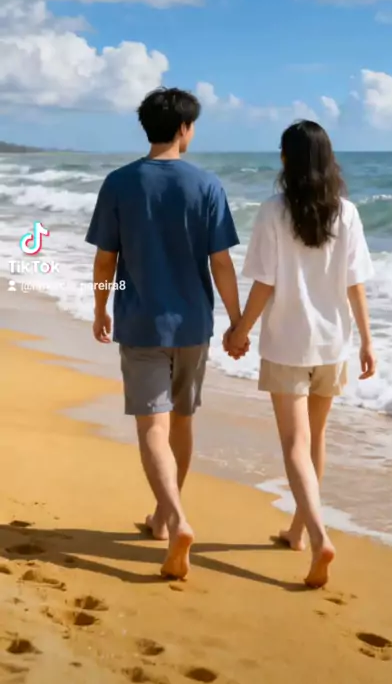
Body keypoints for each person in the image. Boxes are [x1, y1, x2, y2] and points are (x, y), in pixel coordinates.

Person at [86, 87, 247, 581]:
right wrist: (237, 320)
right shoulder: (207, 185)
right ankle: (165, 517)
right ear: (183, 129)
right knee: (181, 421)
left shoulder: (119, 182)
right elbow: (221, 262)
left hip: (140, 322)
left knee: (151, 428)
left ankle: (172, 519)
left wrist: (100, 306)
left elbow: (106, 260)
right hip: (194, 324)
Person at [225, 120, 375, 588]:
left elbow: (264, 283)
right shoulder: (347, 213)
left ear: (286, 159)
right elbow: (355, 283)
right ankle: (296, 531)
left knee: (294, 443)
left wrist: (239, 331)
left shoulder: (274, 211)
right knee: (315, 438)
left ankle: (317, 535)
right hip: (333, 344)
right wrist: (367, 341)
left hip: (288, 343)